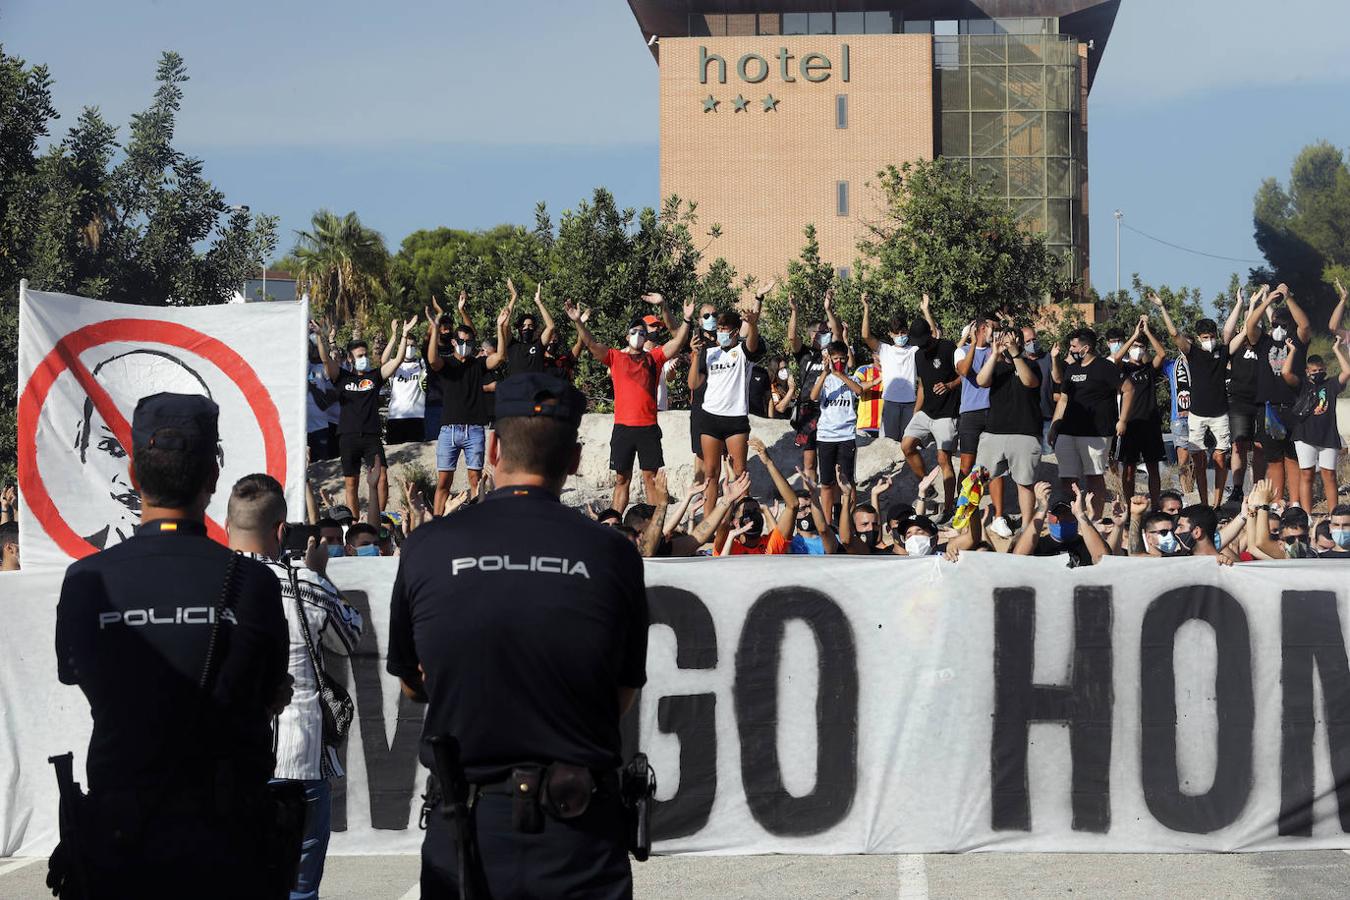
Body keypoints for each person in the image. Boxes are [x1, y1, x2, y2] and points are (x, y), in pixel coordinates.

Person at [387, 373, 648, 899]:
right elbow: (622, 692)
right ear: (574, 460)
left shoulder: (429, 546)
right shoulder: (613, 553)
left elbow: (414, 683)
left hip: (466, 828)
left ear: (495, 447)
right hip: (580, 830)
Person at [52, 393, 293, 898]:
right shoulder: (254, 583)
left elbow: (76, 673)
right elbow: (272, 692)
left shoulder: (85, 579)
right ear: (212, 478)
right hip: (226, 844)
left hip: (122, 840)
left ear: (136, 477)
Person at [225, 474, 364, 900]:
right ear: (281, 531)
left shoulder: (208, 585)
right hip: (298, 758)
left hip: (227, 763)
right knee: (299, 890)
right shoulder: (306, 583)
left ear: (227, 526)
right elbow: (350, 636)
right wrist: (320, 575)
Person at [567, 293, 693, 512]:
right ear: (626, 338)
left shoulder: (654, 358)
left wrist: (687, 319)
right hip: (623, 428)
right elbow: (590, 343)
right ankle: (615, 522)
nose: (638, 335)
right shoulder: (616, 357)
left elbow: (679, 341)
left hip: (648, 428)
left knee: (651, 479)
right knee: (621, 480)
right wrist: (578, 321)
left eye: (641, 333)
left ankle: (655, 524)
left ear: (646, 338)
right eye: (633, 332)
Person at [316, 321, 409, 524]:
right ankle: (354, 525)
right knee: (352, 483)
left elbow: (398, 360)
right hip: (347, 436)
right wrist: (320, 337)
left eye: (365, 355)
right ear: (350, 358)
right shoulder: (342, 377)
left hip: (371, 436)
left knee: (382, 477)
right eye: (359, 356)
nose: (364, 359)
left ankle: (379, 518)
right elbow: (325, 359)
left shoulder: (375, 376)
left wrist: (403, 335)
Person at [689, 288, 767, 520]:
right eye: (719, 329)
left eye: (725, 329)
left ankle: (744, 518)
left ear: (734, 333)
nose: (721, 332)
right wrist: (694, 356)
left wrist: (752, 324)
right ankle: (709, 522)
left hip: (735, 419)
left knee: (739, 472)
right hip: (709, 418)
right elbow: (693, 383)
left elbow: (752, 345)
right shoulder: (709, 353)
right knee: (711, 473)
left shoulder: (741, 352)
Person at [426, 309, 507, 515]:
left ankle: (477, 519)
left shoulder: (477, 364)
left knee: (475, 479)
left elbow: (499, 357)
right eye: (462, 341)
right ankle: (437, 521)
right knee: (444, 480)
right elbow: (432, 359)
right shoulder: (447, 364)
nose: (466, 345)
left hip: (474, 430)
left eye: (470, 342)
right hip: (449, 430)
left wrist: (500, 327)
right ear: (453, 342)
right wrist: (434, 330)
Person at [1155, 297, 1232, 505]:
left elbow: (1232, 331)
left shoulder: (1223, 351)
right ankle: (1204, 503)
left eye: (1212, 336)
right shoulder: (1193, 353)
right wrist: (1162, 307)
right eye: (1205, 337)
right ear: (1198, 338)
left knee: (1220, 458)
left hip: (1220, 414)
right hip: (1196, 414)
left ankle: (1217, 503)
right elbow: (1174, 334)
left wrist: (1244, 304)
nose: (1209, 340)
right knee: (1197, 458)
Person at [1049, 328, 1132, 519]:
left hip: (1097, 434)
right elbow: (1063, 398)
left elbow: (1128, 389)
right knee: (1067, 478)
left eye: (1074, 346)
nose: (1070, 350)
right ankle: (1069, 518)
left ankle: (1095, 520)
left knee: (1094, 477)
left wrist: (1123, 420)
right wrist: (1055, 425)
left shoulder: (1105, 367)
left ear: (1086, 348)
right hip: (1068, 431)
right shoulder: (1071, 368)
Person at [1245, 283, 1312, 504]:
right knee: (1273, 460)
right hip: (1269, 408)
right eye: (1274, 324)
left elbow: (1304, 324)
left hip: (1294, 406)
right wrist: (1266, 301)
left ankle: (1294, 503)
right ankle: (1276, 504)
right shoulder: (1263, 341)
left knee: (1293, 458)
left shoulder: (1297, 341)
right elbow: (1250, 325)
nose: (1278, 328)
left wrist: (1288, 297)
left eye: (1282, 324)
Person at [974, 329, 1042, 536]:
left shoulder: (1030, 364)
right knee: (980, 480)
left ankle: (1027, 528)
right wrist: (994, 354)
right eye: (1004, 339)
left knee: (1025, 483)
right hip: (994, 432)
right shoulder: (994, 364)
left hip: (1025, 432)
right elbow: (981, 381)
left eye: (1013, 339)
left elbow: (1029, 382)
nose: (1008, 342)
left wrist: (1015, 354)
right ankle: (975, 525)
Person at [901, 312, 960, 518]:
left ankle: (949, 507)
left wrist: (949, 385)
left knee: (944, 458)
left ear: (931, 335)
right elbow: (923, 387)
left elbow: (964, 374)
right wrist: (916, 414)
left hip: (947, 413)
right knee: (906, 445)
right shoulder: (918, 354)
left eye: (923, 341)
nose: (921, 346)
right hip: (926, 412)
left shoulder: (948, 348)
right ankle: (927, 483)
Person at [1108, 315, 1167, 508]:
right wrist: (1133, 336)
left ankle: (1156, 504)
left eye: (1140, 346)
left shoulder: (1149, 369)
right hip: (1130, 424)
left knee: (1153, 467)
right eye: (1135, 346)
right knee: (1129, 469)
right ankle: (1129, 505)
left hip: (1150, 423)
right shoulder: (1123, 368)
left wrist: (1147, 332)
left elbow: (1162, 354)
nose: (1137, 349)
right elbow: (1116, 358)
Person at [954, 316, 1002, 528]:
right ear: (981, 329)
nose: (993, 331)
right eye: (990, 328)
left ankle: (998, 516)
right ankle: (961, 508)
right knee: (966, 465)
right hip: (970, 413)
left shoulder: (997, 351)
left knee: (996, 465)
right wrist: (973, 343)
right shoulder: (961, 350)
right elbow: (964, 371)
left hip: (993, 411)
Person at [786, 287, 840, 478]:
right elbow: (792, 338)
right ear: (812, 335)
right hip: (807, 410)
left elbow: (838, 333)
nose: (827, 334)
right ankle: (810, 500)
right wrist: (794, 312)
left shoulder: (833, 352)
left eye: (827, 331)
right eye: (822, 332)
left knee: (830, 460)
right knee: (809, 461)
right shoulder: (805, 353)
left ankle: (830, 496)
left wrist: (828, 309)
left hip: (829, 408)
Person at [811, 340, 865, 524]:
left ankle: (849, 521)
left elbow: (859, 390)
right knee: (826, 483)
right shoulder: (824, 379)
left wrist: (840, 374)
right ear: (828, 359)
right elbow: (813, 396)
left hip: (846, 436)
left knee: (848, 482)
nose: (839, 361)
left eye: (842, 358)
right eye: (836, 359)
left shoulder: (852, 378)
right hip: (826, 436)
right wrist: (826, 373)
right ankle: (827, 524)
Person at [1291, 342, 1349, 512]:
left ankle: (1334, 515)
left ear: (1324, 369)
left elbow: (1347, 372)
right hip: (1304, 435)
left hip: (1328, 436)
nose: (1317, 373)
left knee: (1329, 475)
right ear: (1307, 372)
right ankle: (1307, 515)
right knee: (1306, 474)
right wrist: (1293, 351)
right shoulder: (1303, 385)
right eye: (1313, 371)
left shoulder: (1331, 384)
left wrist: (1336, 349)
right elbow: (1286, 373)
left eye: (1320, 370)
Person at [860, 291, 919, 441]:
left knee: (908, 442)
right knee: (888, 441)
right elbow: (866, 336)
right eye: (896, 333)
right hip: (891, 402)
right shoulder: (885, 349)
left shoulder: (914, 350)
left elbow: (933, 336)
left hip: (910, 403)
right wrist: (866, 309)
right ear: (890, 334)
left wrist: (925, 309)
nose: (900, 336)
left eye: (903, 332)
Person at [1013, 482, 1104, 567]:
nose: (1059, 519)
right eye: (1056, 514)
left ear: (1075, 516)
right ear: (1047, 516)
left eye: (1065, 513)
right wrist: (1041, 509)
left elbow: (1104, 561)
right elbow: (1017, 559)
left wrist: (1081, 515)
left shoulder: (1088, 544)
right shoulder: (1038, 544)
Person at [385, 319, 428, 446]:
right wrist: (394, 334)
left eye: (412, 346)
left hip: (417, 417)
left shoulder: (421, 364)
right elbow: (384, 360)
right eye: (407, 345)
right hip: (395, 417)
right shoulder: (395, 365)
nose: (410, 349)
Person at [502, 279, 557, 376]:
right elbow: (505, 324)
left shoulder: (539, 345)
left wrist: (539, 302)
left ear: (535, 328)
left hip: (534, 389)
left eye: (530, 326)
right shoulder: (512, 344)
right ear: (518, 328)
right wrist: (514, 297)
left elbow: (551, 326)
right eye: (523, 326)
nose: (526, 329)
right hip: (515, 388)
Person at [305, 331, 339, 462]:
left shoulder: (321, 368)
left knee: (322, 467)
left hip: (320, 428)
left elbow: (334, 388)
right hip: (302, 429)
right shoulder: (297, 368)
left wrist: (322, 397)